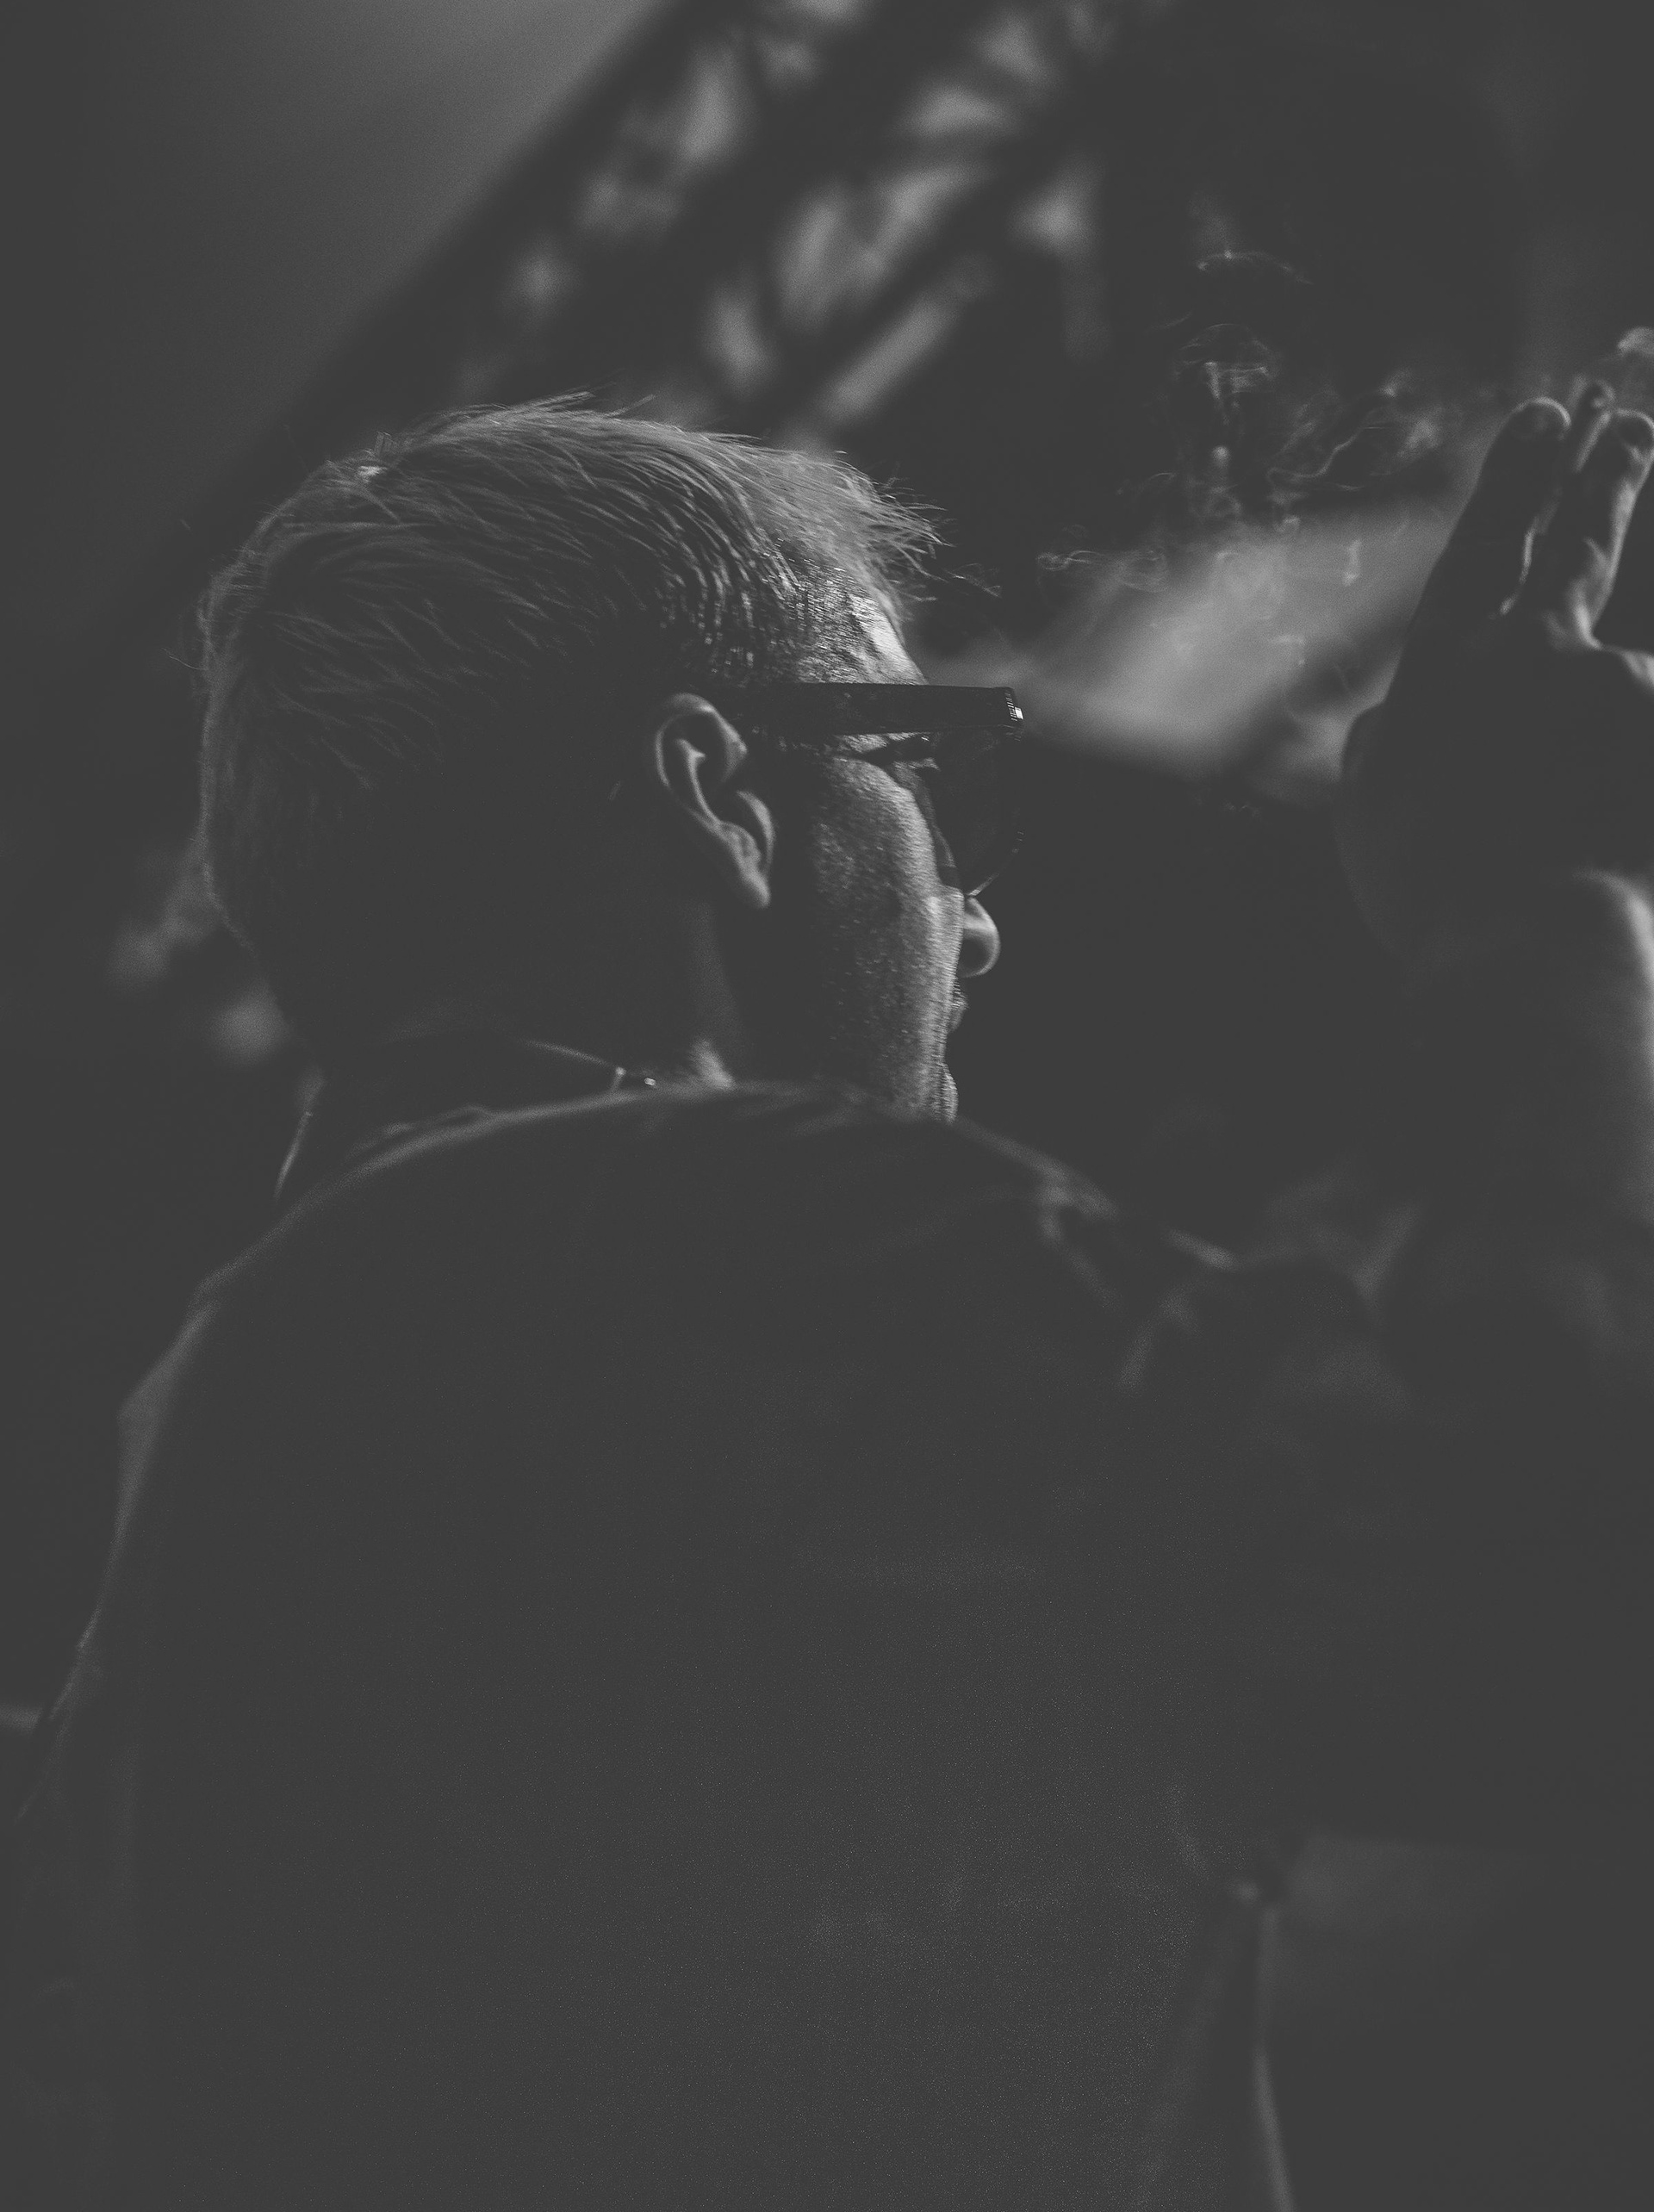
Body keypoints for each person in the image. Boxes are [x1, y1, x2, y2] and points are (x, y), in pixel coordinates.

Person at [6, 390, 1654, 2209]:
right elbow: (1554, 1586)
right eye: (929, 780)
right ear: (718, 794)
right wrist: (1550, 897)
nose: (976, 921)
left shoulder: (234, 1415)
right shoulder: (713, 1237)